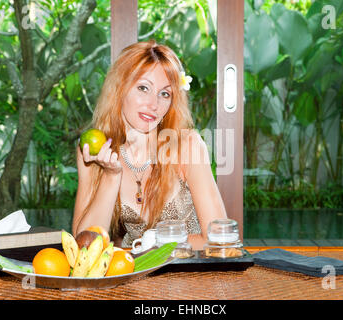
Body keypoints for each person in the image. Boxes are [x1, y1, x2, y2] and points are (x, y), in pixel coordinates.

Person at [72, 40, 227, 250]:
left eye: (165, 94)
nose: (154, 105)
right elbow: (84, 246)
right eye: (143, 88)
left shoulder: (188, 145)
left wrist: (155, 243)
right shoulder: (95, 151)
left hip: (191, 274)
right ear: (120, 88)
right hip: (135, 276)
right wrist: (110, 176)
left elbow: (219, 238)